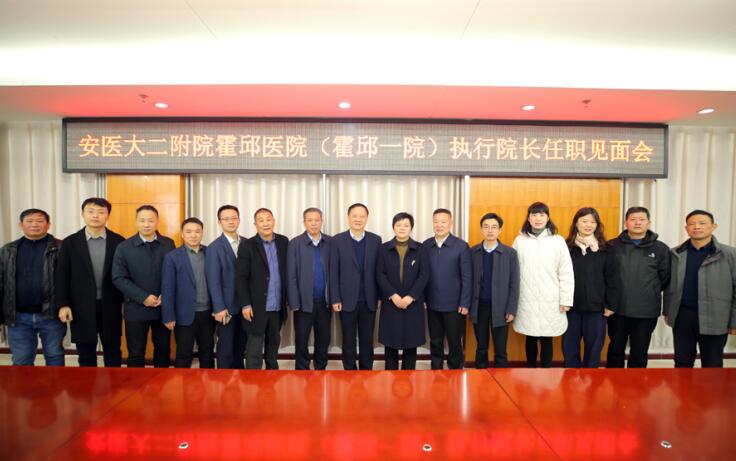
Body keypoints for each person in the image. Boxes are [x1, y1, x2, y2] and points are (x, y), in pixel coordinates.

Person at [56, 197, 125, 367]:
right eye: (91, 211)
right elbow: (62, 275)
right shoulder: (70, 243)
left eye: (101, 212)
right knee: (85, 354)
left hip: (111, 305)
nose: (95, 216)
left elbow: (125, 275)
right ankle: (87, 384)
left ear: (108, 215)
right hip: (81, 306)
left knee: (113, 351)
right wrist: (63, 304)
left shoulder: (119, 241)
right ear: (83, 214)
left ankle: (114, 383)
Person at [663, 210, 736, 368]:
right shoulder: (676, 253)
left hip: (716, 316)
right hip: (683, 316)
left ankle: (711, 386)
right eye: (692, 224)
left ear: (713, 226)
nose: (697, 227)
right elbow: (669, 286)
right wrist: (668, 311)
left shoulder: (730, 254)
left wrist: (734, 320)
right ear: (686, 228)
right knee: (682, 362)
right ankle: (683, 386)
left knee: (712, 364)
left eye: (702, 223)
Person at [606, 206, 670, 368]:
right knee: (615, 349)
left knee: (640, 350)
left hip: (646, 310)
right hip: (618, 309)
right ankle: (614, 381)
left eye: (642, 219)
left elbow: (665, 278)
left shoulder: (660, 248)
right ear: (626, 222)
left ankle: (637, 383)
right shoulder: (612, 246)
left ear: (648, 223)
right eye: (633, 219)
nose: (637, 223)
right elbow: (606, 276)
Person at [112, 205, 175, 367]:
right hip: (136, 308)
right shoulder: (124, 247)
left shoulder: (168, 244)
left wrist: (166, 295)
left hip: (162, 307)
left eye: (150, 220)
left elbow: (174, 273)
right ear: (136, 222)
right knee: (136, 352)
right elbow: (118, 278)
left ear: (157, 222)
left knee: (163, 350)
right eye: (142, 220)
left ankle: (161, 381)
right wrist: (143, 297)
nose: (146, 224)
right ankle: (136, 383)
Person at [512, 202, 574, 368]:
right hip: (526, 297)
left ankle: (547, 372)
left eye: (542, 215)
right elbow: (512, 272)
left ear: (548, 218)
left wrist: (566, 300)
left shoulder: (557, 241)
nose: (538, 218)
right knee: (530, 336)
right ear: (528, 218)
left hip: (551, 299)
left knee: (547, 338)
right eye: (534, 215)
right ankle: (531, 371)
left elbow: (566, 273)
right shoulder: (520, 241)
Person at [0, 209, 65, 366]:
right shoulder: (8, 250)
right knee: (21, 359)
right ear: (21, 225)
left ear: (48, 224)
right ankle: (24, 384)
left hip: (51, 315)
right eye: (29, 221)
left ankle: (54, 384)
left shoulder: (61, 247)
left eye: (39, 221)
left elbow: (69, 281)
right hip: (18, 316)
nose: (34, 224)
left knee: (54, 356)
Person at [330, 203, 382, 370]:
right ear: (348, 218)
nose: (358, 219)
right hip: (346, 299)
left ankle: (366, 370)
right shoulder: (337, 240)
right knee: (348, 339)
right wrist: (335, 298)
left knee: (367, 339)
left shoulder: (375, 240)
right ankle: (349, 370)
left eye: (362, 216)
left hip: (369, 299)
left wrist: (379, 296)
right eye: (355, 216)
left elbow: (379, 271)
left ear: (367, 218)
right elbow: (333, 271)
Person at [236, 208, 288, 369]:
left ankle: (272, 375)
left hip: (277, 305)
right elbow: (241, 277)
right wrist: (245, 304)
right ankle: (253, 379)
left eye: (268, 219)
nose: (265, 223)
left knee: (273, 344)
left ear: (274, 221)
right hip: (256, 305)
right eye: (261, 220)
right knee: (254, 349)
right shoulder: (247, 245)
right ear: (255, 224)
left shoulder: (283, 242)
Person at [376, 212, 429, 370]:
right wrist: (393, 296)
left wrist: (410, 297)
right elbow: (380, 274)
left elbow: (424, 275)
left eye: (406, 225)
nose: (402, 228)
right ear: (393, 227)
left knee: (411, 343)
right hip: (391, 302)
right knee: (390, 343)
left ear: (411, 228)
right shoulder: (384, 248)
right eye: (398, 225)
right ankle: (390, 375)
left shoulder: (420, 248)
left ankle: (409, 376)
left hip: (413, 303)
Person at [563, 207, 613, 368]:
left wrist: (610, 304)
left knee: (594, 350)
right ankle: (571, 380)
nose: (588, 225)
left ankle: (591, 381)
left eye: (592, 222)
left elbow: (612, 278)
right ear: (576, 224)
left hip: (597, 308)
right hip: (570, 307)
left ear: (597, 225)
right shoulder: (565, 248)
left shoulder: (606, 249)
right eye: (584, 221)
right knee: (570, 348)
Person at [162, 218, 215, 368]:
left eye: (197, 231)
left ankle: (207, 382)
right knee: (184, 354)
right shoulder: (172, 257)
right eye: (189, 231)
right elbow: (167, 288)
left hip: (208, 313)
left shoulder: (210, 253)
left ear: (202, 233)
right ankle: (183, 382)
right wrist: (168, 315)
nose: (193, 235)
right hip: (184, 314)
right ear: (182, 234)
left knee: (207, 352)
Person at [469, 212, 519, 368]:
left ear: (500, 230)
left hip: (501, 308)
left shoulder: (510, 253)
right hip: (479, 307)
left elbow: (514, 283)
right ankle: (480, 375)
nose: (490, 230)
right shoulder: (473, 252)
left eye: (494, 227)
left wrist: (511, 309)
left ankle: (501, 377)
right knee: (481, 347)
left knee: (500, 349)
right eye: (486, 227)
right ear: (481, 229)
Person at [423, 208, 472, 370]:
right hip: (432, 303)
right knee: (435, 340)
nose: (439, 225)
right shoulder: (426, 245)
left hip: (454, 304)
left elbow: (467, 277)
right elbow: (422, 275)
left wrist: (465, 303)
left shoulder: (461, 246)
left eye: (443, 222)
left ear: (450, 223)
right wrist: (423, 299)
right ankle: (436, 368)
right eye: (436, 222)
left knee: (454, 341)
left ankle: (455, 369)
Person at [287, 207, 332, 370]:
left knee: (323, 339)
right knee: (302, 338)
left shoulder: (330, 242)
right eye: (310, 220)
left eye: (317, 220)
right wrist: (294, 302)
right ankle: (302, 369)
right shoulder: (295, 243)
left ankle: (320, 368)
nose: (313, 223)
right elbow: (291, 275)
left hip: (324, 302)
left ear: (322, 221)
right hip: (303, 302)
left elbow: (335, 272)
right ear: (304, 222)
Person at [205, 204, 248, 369]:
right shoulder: (214, 248)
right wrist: (219, 308)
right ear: (219, 222)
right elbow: (213, 280)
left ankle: (239, 376)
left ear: (239, 220)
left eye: (234, 218)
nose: (231, 222)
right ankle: (224, 379)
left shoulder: (247, 243)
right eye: (226, 219)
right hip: (226, 307)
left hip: (245, 306)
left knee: (241, 345)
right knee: (226, 347)